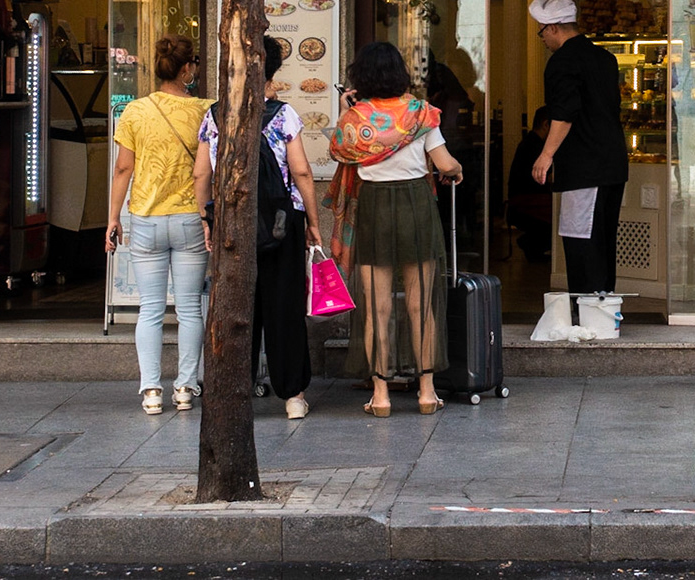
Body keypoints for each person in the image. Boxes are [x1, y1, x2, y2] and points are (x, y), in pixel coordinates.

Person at [324, 42, 464, 417]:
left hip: (374, 209)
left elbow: (338, 150)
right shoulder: (421, 114)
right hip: (416, 207)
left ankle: (382, 395)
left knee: (377, 306)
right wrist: (455, 171)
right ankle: (426, 392)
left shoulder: (357, 119)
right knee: (422, 305)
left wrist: (346, 112)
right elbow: (445, 162)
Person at [193, 38, 322, 420]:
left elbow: (202, 173)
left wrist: (207, 219)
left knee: (237, 305)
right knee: (285, 306)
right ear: (273, 71)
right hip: (283, 223)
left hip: (233, 221)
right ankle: (293, 396)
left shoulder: (215, 116)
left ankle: (237, 390)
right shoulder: (283, 115)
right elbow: (300, 172)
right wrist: (313, 221)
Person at [106, 34, 213, 416]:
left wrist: (113, 217)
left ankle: (151, 390)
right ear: (187, 70)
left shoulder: (134, 111)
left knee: (150, 309)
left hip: (146, 219)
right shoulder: (206, 109)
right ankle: (186, 386)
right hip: (189, 218)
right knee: (189, 309)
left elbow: (123, 168)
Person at [528, 0, 629, 316]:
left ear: (555, 28)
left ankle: (587, 313)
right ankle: (604, 308)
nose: (542, 38)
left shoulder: (562, 62)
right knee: (603, 238)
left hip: (584, 166)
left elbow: (565, 113)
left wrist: (545, 156)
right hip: (613, 162)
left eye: (542, 31)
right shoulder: (605, 58)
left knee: (579, 238)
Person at [505, 107, 555, 261]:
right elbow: (546, 179)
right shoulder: (537, 147)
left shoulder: (529, 142)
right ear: (546, 125)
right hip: (527, 202)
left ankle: (532, 245)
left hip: (521, 200)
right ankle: (531, 244)